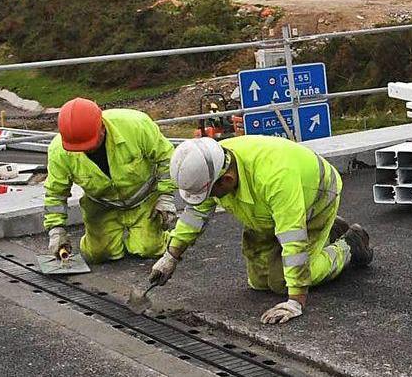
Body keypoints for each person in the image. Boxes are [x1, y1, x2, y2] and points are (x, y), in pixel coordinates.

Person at [147, 135, 373, 325]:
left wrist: (296, 301)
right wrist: (171, 256)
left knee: (284, 281)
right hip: (266, 209)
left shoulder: (275, 177)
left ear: (227, 179)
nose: (212, 199)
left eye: (213, 194)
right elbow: (195, 214)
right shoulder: (213, 164)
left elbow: (293, 239)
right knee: (259, 282)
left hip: (315, 197)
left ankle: (350, 244)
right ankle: (330, 230)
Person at [43, 98, 177, 263]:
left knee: (149, 248)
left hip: (144, 199)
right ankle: (105, 238)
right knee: (97, 255)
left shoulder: (136, 125)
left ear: (102, 126)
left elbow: (167, 158)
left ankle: (145, 235)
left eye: (89, 144)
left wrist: (166, 196)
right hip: (102, 204)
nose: (86, 150)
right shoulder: (59, 152)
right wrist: (56, 230)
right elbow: (55, 193)